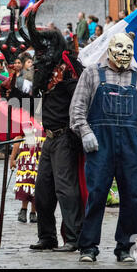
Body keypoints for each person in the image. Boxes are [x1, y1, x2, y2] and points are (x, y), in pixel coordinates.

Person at [69, 32, 137, 262]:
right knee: (97, 194)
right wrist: (86, 132)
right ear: (109, 49)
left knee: (131, 196)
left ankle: (125, 248)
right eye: (119, 47)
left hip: (131, 146)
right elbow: (76, 111)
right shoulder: (91, 74)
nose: (124, 53)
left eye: (129, 49)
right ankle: (88, 247)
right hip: (100, 145)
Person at [28, 30, 86, 253]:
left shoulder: (67, 69)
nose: (38, 56)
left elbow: (80, 99)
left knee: (65, 189)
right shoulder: (46, 73)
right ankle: (47, 237)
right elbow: (30, 103)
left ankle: (73, 237)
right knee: (42, 189)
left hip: (65, 137)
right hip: (49, 137)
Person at [10, 134, 45, 223]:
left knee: (36, 186)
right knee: (25, 185)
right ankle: (24, 210)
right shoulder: (22, 132)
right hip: (25, 163)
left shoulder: (43, 130)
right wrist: (12, 159)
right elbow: (17, 142)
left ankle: (33, 212)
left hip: (39, 161)